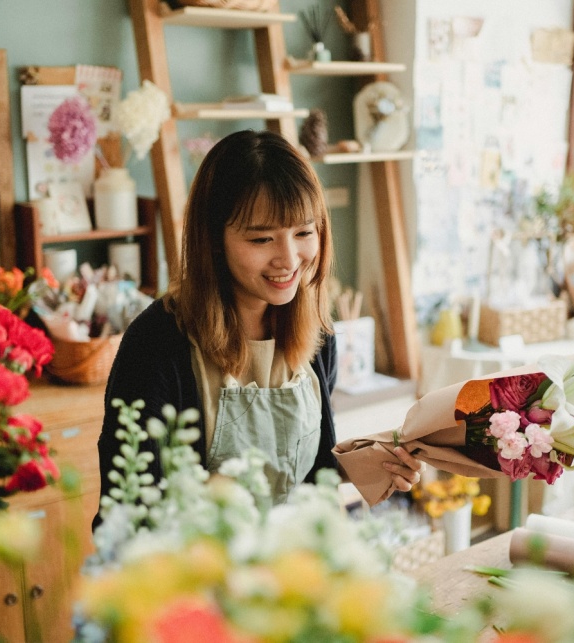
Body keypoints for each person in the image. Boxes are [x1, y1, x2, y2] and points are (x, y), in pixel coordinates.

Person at [94, 130, 421, 525]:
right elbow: (124, 516)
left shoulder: (318, 335)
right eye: (262, 238)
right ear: (214, 239)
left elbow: (305, 477)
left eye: (303, 233)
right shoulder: (158, 344)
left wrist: (364, 462)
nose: (288, 259)